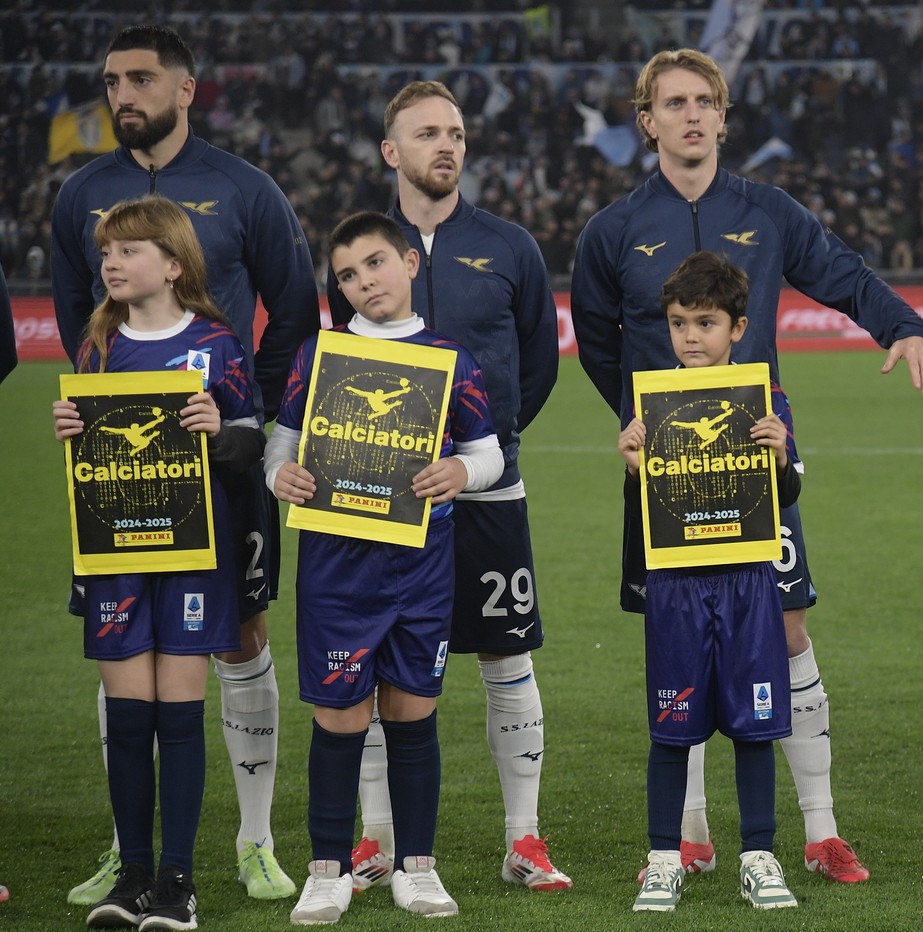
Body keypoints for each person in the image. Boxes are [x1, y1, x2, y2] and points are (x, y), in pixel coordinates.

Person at [573, 47, 923, 884]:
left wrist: (905, 325)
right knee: (679, 640)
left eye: (707, 101)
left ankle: (820, 830)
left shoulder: (768, 212)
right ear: (647, 122)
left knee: (788, 626)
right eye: (675, 103)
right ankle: (693, 836)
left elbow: (843, 274)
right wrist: (637, 420)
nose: (693, 115)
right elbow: (597, 345)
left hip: (760, 460)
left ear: (723, 118)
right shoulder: (612, 231)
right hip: (665, 474)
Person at [51, 25, 320, 902]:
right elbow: (73, 317)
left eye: (138, 79)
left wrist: (247, 420)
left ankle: (251, 837)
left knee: (238, 638)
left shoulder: (246, 188)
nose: (122, 94)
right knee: (124, 651)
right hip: (127, 488)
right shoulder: (83, 192)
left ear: (184, 89)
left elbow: (296, 311)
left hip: (225, 474)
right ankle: (130, 851)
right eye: (110, 80)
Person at [323, 81, 568, 893]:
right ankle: (377, 841)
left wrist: (482, 448)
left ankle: (524, 839)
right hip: (380, 500)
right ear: (391, 152)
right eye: (428, 133)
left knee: (506, 654)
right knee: (375, 668)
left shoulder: (510, 246)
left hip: (489, 492)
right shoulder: (363, 250)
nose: (447, 145)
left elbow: (536, 363)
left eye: (456, 132)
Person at [269, 212, 504, 924]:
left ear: (407, 262)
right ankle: (327, 869)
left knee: (412, 714)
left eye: (374, 264)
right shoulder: (321, 355)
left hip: (421, 566)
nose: (362, 282)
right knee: (339, 717)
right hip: (337, 565)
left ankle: (417, 868)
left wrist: (461, 469)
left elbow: (490, 453)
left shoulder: (449, 359)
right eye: (346, 274)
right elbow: (281, 447)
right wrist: (280, 477)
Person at [53, 197, 268, 930]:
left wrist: (219, 430)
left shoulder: (215, 342)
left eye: (129, 250)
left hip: (191, 554)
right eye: (106, 252)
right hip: (115, 554)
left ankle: (177, 881)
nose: (111, 262)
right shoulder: (99, 344)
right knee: (128, 714)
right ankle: (132, 875)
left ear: (173, 264)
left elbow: (251, 436)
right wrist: (70, 431)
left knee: (177, 717)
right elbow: (90, 456)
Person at [621, 252, 799, 912]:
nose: (690, 337)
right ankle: (663, 859)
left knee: (755, 724)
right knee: (671, 726)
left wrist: (781, 455)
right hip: (676, 585)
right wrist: (636, 465)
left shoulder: (765, 398)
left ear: (738, 327)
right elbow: (643, 506)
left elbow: (788, 490)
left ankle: (759, 857)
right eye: (678, 323)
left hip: (749, 583)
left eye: (705, 322)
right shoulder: (654, 400)